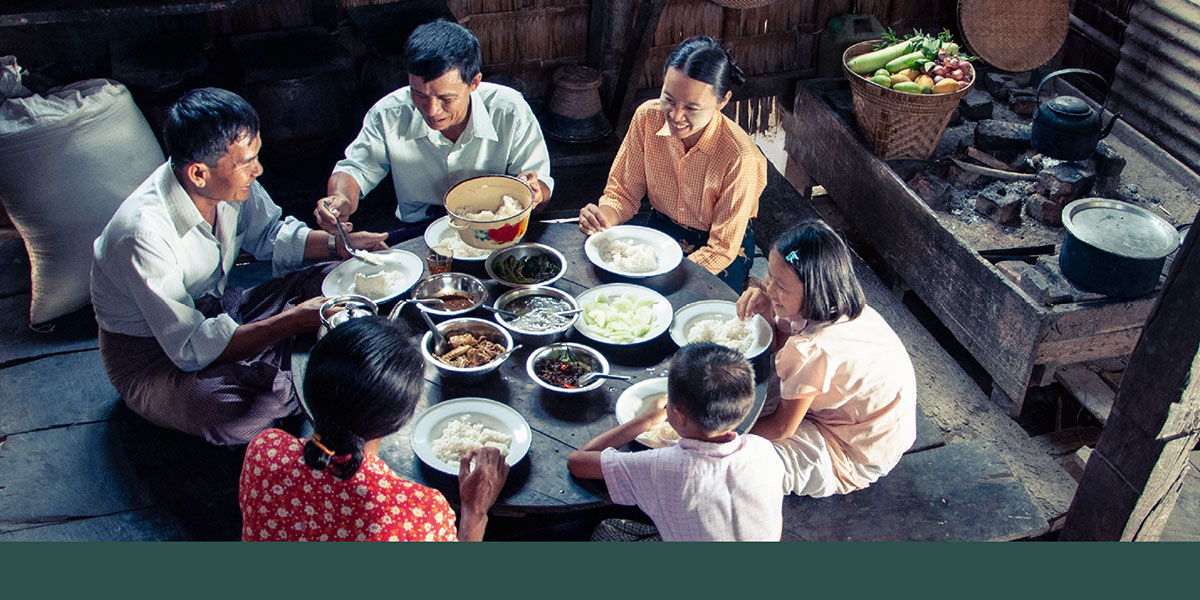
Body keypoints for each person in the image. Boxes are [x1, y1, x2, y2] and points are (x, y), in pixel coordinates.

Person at [91, 87, 388, 446]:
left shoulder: (226, 185)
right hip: (154, 357)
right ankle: (287, 366)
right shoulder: (142, 233)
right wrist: (289, 322)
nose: (258, 170)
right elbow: (189, 348)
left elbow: (270, 234)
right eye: (246, 163)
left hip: (217, 311)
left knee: (335, 277)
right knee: (231, 416)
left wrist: (336, 244)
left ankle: (282, 367)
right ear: (199, 174)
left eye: (255, 157)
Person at [239, 317, 509, 541]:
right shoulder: (420, 513)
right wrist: (475, 512)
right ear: (401, 420)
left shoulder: (264, 451)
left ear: (308, 386)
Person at [316, 18, 553, 246]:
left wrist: (535, 191)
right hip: (418, 231)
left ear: (474, 82)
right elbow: (355, 169)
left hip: (493, 227)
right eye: (418, 94)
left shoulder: (509, 110)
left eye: (446, 98)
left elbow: (540, 186)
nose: (431, 110)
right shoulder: (388, 114)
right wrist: (341, 200)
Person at [736, 219, 917, 498]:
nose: (769, 289)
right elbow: (786, 347)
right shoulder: (840, 307)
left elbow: (782, 427)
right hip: (877, 427)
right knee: (748, 388)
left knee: (738, 460)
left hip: (856, 453)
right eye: (769, 276)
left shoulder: (814, 349)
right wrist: (771, 313)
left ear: (814, 290)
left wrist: (728, 437)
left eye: (781, 287)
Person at [577, 35, 767, 291]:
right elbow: (623, 192)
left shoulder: (741, 158)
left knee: (681, 302)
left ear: (723, 101)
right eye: (668, 99)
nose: (675, 116)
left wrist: (664, 275)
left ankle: (750, 285)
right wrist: (604, 218)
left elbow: (722, 247)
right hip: (662, 230)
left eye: (692, 107)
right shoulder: (647, 117)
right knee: (619, 289)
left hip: (721, 246)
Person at [567, 342, 784, 542]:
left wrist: (644, 420)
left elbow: (578, 462)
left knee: (605, 531)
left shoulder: (662, 466)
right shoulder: (764, 450)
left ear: (677, 416)